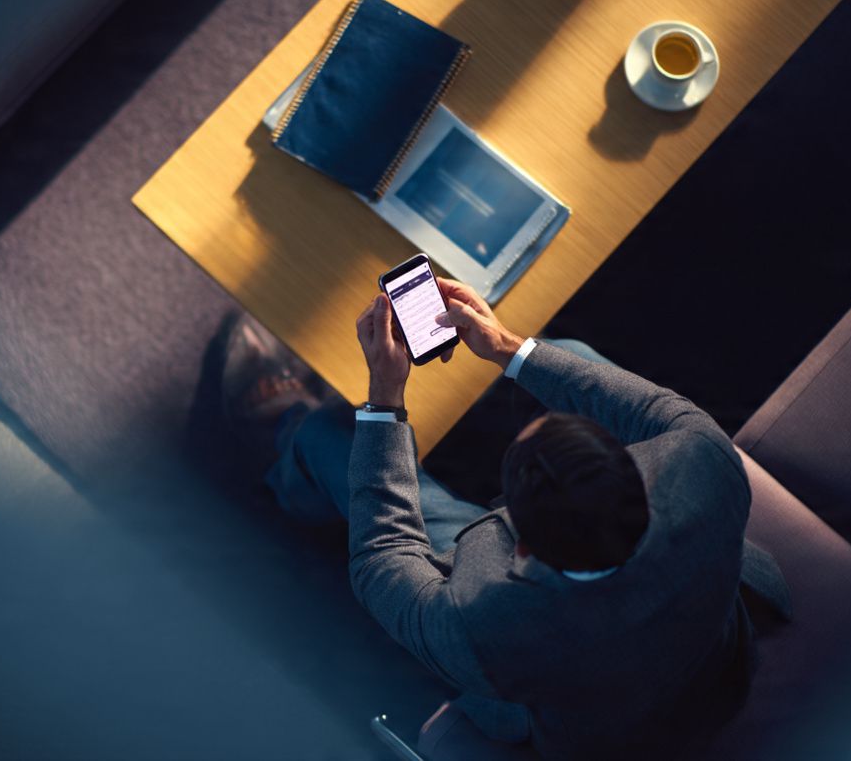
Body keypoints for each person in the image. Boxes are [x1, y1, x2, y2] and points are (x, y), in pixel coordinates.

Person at [220, 278, 790, 759]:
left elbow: (381, 556)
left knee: (327, 436)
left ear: (519, 546)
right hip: (713, 669)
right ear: (634, 469)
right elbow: (654, 411)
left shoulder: (483, 626)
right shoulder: (704, 466)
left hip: (599, 732)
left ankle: (287, 440)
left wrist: (384, 401)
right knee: (567, 352)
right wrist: (506, 348)